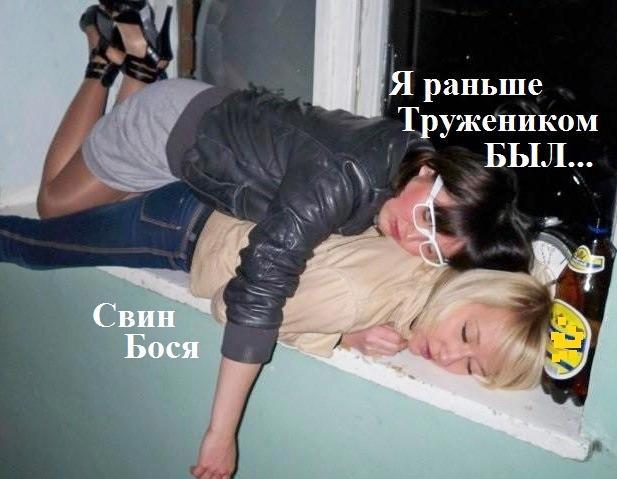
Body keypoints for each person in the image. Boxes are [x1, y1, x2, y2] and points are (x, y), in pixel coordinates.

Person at [33, 3, 537, 476]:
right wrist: (220, 434)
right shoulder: (345, 178)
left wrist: (350, 335)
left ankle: (140, 65)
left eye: (429, 248)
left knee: (107, 188)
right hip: (172, 131)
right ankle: (102, 65)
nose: (411, 234)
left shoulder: (403, 159)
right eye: (426, 216)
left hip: (208, 135)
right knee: (53, 205)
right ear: (430, 171)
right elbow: (258, 291)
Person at [0, 181, 550, 477]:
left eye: (473, 367)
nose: (450, 358)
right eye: (468, 335)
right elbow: (232, 304)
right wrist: (337, 335)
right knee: (35, 245)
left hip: (217, 201)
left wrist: (349, 335)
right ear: (472, 288)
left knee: (65, 202)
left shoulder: (429, 264)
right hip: (180, 229)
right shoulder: (360, 298)